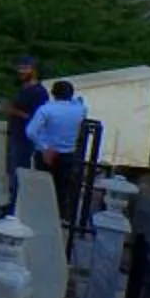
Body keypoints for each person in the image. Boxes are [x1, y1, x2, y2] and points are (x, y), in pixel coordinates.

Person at [26, 80, 89, 232]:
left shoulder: (46, 109)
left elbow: (31, 131)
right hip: (68, 154)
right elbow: (82, 106)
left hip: (47, 153)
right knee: (62, 188)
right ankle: (57, 220)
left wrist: (44, 147)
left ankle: (38, 218)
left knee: (42, 186)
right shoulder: (79, 110)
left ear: (53, 94)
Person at [0, 55, 51, 216]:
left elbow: (35, 117)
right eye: (19, 68)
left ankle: (15, 211)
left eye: (25, 68)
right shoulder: (25, 89)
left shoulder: (39, 93)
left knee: (19, 174)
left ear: (34, 70)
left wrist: (10, 110)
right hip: (15, 134)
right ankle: (10, 206)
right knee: (12, 173)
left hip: (25, 139)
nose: (21, 71)